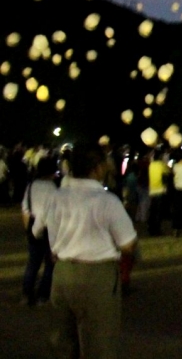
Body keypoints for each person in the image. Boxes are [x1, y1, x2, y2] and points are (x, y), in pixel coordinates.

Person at [33, 142, 137, 359]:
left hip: (62, 273)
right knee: (99, 344)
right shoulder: (107, 201)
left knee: (63, 342)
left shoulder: (57, 197)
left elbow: (42, 232)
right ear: (97, 167)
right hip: (98, 276)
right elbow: (127, 244)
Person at [21, 156, 57, 306]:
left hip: (32, 225)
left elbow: (24, 210)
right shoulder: (54, 188)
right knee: (50, 264)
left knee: (33, 263)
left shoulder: (31, 186)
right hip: (49, 228)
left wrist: (28, 230)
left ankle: (26, 294)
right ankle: (43, 295)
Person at [147, 147, 170, 236]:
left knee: (152, 210)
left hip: (152, 190)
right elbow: (168, 171)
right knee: (158, 212)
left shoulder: (151, 164)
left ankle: (151, 228)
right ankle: (157, 230)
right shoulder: (161, 164)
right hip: (160, 190)